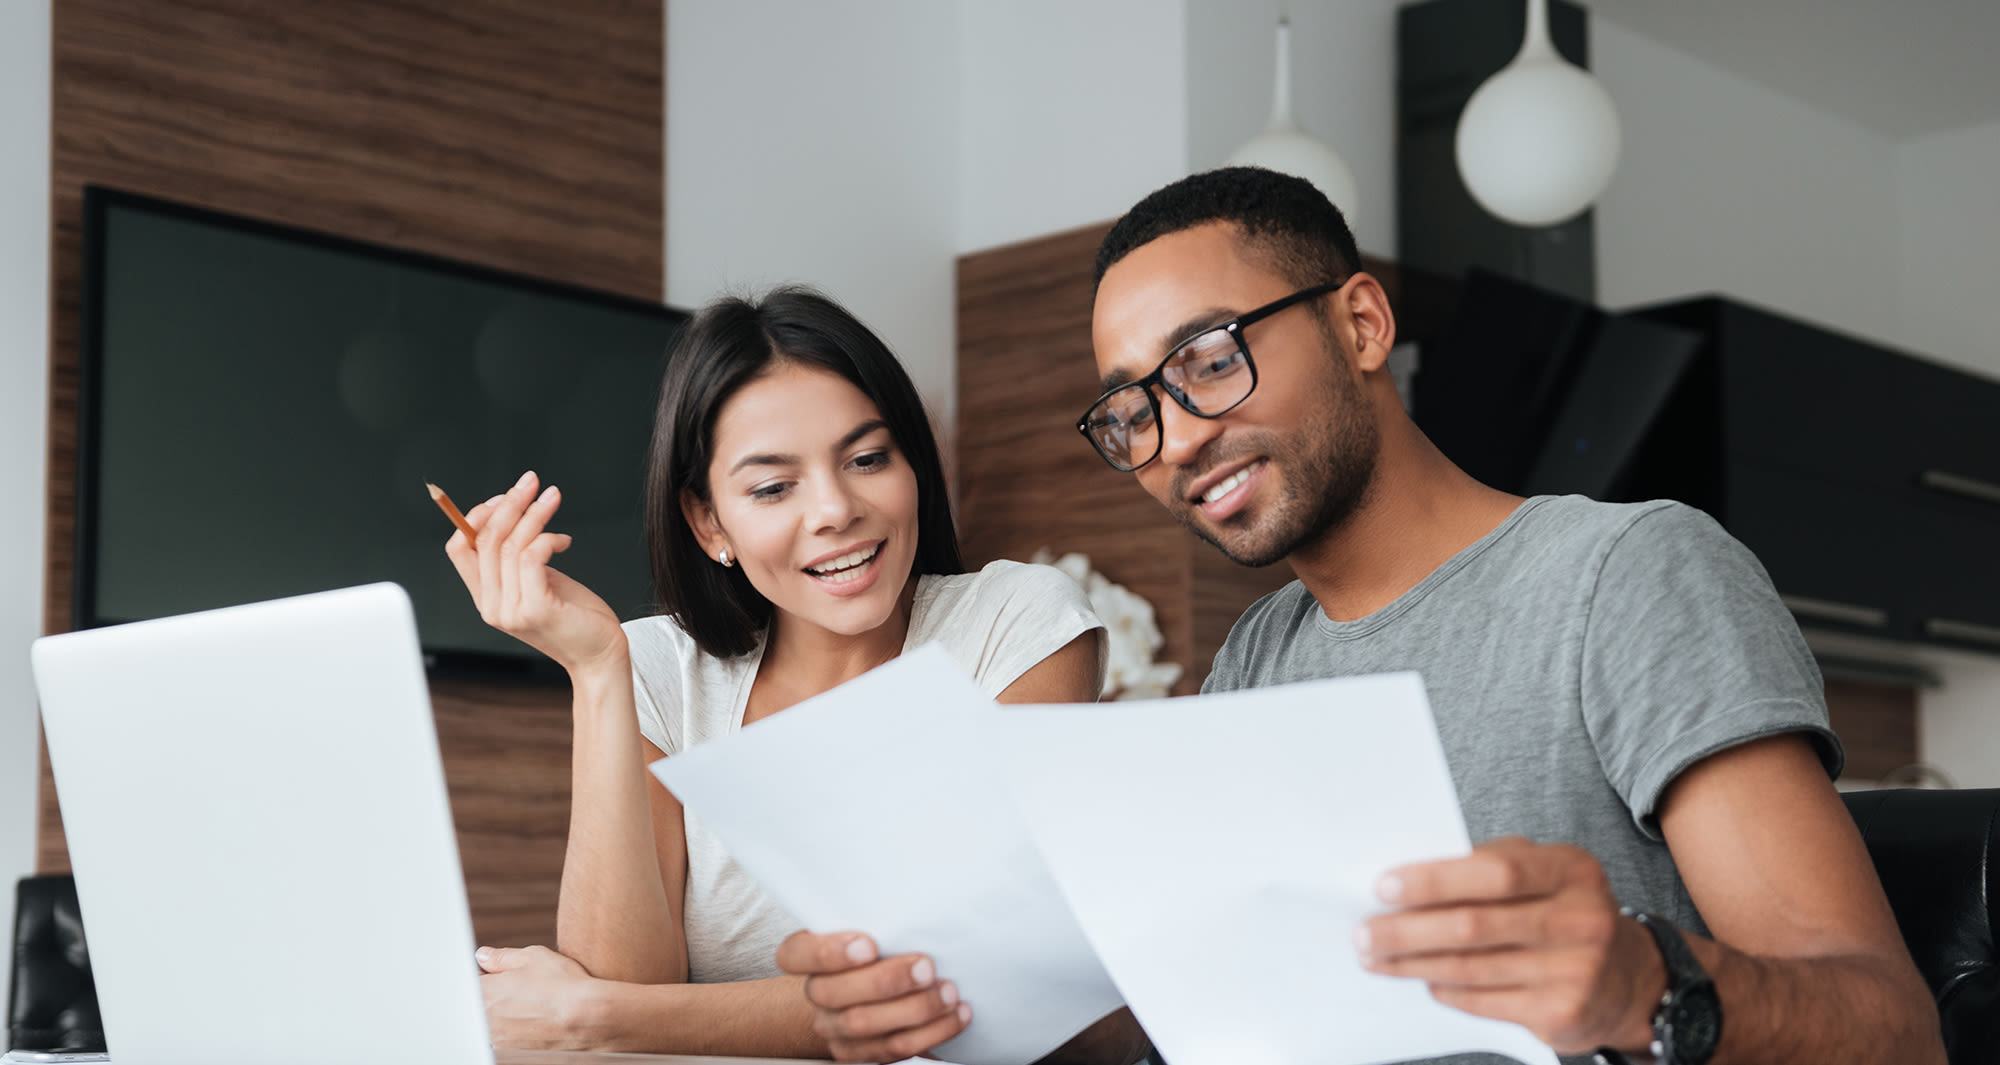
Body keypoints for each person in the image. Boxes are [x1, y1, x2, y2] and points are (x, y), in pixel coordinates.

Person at [779, 168, 1946, 1065]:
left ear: (1361, 325)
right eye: (1128, 412)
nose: (1174, 436)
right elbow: (1184, 1019)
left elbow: (1894, 1032)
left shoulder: (1626, 574)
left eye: (1205, 359)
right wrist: (929, 1006)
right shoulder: (1256, 659)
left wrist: (1644, 982)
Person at [442, 286, 1108, 1058]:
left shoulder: (1016, 623)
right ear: (708, 521)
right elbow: (620, 983)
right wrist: (596, 669)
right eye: (772, 486)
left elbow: (974, 983)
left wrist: (595, 1016)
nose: (834, 509)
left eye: (867, 458)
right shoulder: (660, 667)